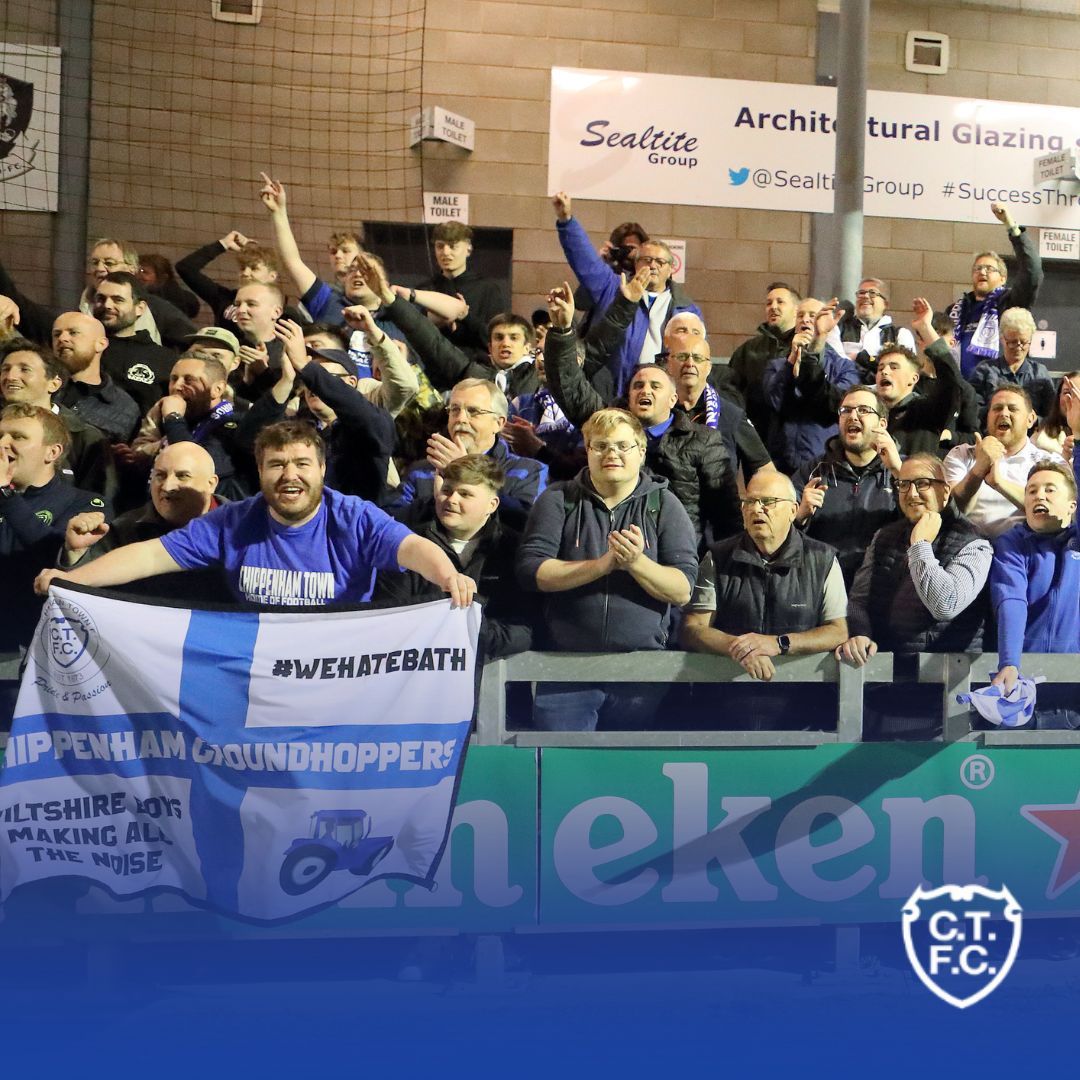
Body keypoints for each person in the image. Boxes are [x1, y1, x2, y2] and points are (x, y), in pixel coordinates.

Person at [35, 420, 476, 609]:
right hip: (254, 680)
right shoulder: (233, 521)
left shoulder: (353, 517)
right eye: (276, 465)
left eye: (302, 464)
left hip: (337, 679)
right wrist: (75, 579)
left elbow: (412, 547)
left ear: (321, 470)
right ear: (260, 471)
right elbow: (149, 556)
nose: (290, 476)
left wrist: (448, 575)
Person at [517, 408, 698, 731]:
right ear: (587, 450)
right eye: (600, 446)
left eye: (622, 446)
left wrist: (636, 563)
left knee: (628, 771)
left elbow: (682, 588)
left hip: (642, 670)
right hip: (565, 668)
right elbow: (533, 571)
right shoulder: (558, 499)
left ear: (641, 452)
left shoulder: (664, 505)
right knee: (565, 769)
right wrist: (603, 565)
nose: (611, 453)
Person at [542, 282, 741, 546]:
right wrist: (563, 331)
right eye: (638, 385)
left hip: (675, 555)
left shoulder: (702, 441)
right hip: (609, 546)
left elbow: (725, 512)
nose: (644, 390)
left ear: (673, 398)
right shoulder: (609, 424)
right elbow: (569, 387)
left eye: (655, 386)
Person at [838, 454, 992, 737]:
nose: (911, 493)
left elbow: (944, 604)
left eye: (922, 483)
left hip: (945, 701)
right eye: (903, 484)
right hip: (883, 690)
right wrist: (859, 632)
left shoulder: (975, 543)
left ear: (945, 491)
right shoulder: (884, 536)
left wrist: (920, 545)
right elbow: (859, 599)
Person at [681, 469, 848, 687]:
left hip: (801, 697)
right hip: (728, 695)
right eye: (749, 502)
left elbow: (838, 631)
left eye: (768, 501)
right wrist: (741, 648)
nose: (757, 509)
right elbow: (693, 628)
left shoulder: (822, 560)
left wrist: (780, 644)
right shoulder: (718, 557)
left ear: (793, 510)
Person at [374, 454, 531, 658]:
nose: (451, 499)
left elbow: (523, 628)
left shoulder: (513, 549)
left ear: (492, 505)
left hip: (492, 679)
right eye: (446, 490)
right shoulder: (409, 544)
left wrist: (476, 635)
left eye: (465, 494)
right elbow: (388, 615)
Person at [552, 192, 700, 396]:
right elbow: (585, 261)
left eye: (660, 262)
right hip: (612, 392)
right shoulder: (613, 287)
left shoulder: (686, 309)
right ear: (636, 264)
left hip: (661, 395)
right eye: (646, 260)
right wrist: (567, 221)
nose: (652, 265)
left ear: (671, 270)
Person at [58, 442, 226, 601]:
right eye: (160, 475)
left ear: (211, 484)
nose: (167, 486)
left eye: (182, 476)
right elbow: (85, 601)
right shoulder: (125, 528)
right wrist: (77, 553)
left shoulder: (242, 527)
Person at [1, 404, 108, 651]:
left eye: (17, 436)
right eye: (0, 436)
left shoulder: (85, 504)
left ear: (52, 452)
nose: (3, 443)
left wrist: (5, 494)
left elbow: (54, 555)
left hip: (25, 652)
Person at [990, 438, 1080, 728]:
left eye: (1049, 490)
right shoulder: (1011, 544)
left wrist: (1078, 440)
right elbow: (1011, 601)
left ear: (1071, 506)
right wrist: (1009, 662)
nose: (1038, 496)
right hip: (1022, 690)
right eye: (1031, 491)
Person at [391, 378, 547, 529]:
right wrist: (435, 502)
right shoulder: (422, 470)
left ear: (499, 423)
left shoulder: (529, 470)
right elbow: (392, 522)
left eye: (473, 411)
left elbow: (526, 524)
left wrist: (466, 471)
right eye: (454, 410)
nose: (461, 419)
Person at [791, 385, 900, 585]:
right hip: (824, 582)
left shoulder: (903, 470)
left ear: (882, 424)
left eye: (864, 410)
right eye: (846, 410)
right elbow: (781, 533)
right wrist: (800, 516)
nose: (853, 416)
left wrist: (898, 472)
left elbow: (926, 522)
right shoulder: (813, 471)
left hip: (883, 585)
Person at [943, 386, 1063, 539]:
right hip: (967, 547)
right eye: (997, 408)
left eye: (1012, 409)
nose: (1004, 413)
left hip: (1025, 549)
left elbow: (1056, 514)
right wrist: (978, 471)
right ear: (987, 417)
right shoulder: (961, 454)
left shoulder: (1049, 462)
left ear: (1031, 419)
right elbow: (951, 509)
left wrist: (999, 483)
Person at [0, 338, 114, 497]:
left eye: (25, 369)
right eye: (5, 369)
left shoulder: (86, 438)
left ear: (54, 383)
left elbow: (99, 499)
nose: (10, 376)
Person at [762, 296, 860, 474]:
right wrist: (791, 361)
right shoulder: (777, 365)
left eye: (813, 315)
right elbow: (775, 401)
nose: (805, 319)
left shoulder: (843, 367)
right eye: (800, 315)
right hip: (781, 464)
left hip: (825, 463)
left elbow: (835, 406)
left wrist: (814, 347)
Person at [949, 202, 1042, 378]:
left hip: (997, 388)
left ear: (1003, 278)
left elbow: (1033, 272)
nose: (982, 272)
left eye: (989, 269)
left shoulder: (1010, 303)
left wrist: (1011, 226)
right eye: (978, 268)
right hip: (960, 393)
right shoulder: (956, 310)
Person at [416, 221, 507, 356]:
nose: (445, 253)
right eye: (440, 246)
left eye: (453, 247)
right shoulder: (424, 290)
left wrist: (465, 316)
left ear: (468, 249)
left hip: (475, 368)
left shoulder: (488, 290)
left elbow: (494, 337)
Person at [92, 271, 177, 413]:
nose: (107, 305)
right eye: (101, 298)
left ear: (140, 308)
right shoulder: (81, 347)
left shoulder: (164, 359)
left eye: (118, 300)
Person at [51, 311, 140, 443]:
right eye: (57, 334)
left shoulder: (125, 407)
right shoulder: (37, 387)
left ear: (101, 344)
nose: (62, 339)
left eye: (73, 332)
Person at [725, 281, 799, 437]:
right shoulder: (749, 350)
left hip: (795, 438)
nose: (773, 307)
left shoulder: (808, 348)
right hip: (757, 436)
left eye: (780, 302)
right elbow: (730, 390)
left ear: (796, 310)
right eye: (768, 303)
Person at [968, 307, 1055, 421]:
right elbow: (973, 411)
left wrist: (1032, 420)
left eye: (1024, 342)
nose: (1019, 347)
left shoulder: (1039, 373)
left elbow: (1052, 415)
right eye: (1013, 342)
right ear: (1002, 339)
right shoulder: (985, 371)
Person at [827, 277, 917, 381]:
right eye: (861, 293)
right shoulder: (838, 329)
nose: (865, 296)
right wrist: (874, 363)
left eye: (872, 293)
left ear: (885, 304)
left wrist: (860, 358)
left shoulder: (900, 334)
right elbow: (835, 365)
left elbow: (905, 370)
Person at [138, 254, 201, 319]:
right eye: (137, 270)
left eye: (144, 272)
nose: (138, 275)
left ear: (162, 278)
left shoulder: (171, 301)